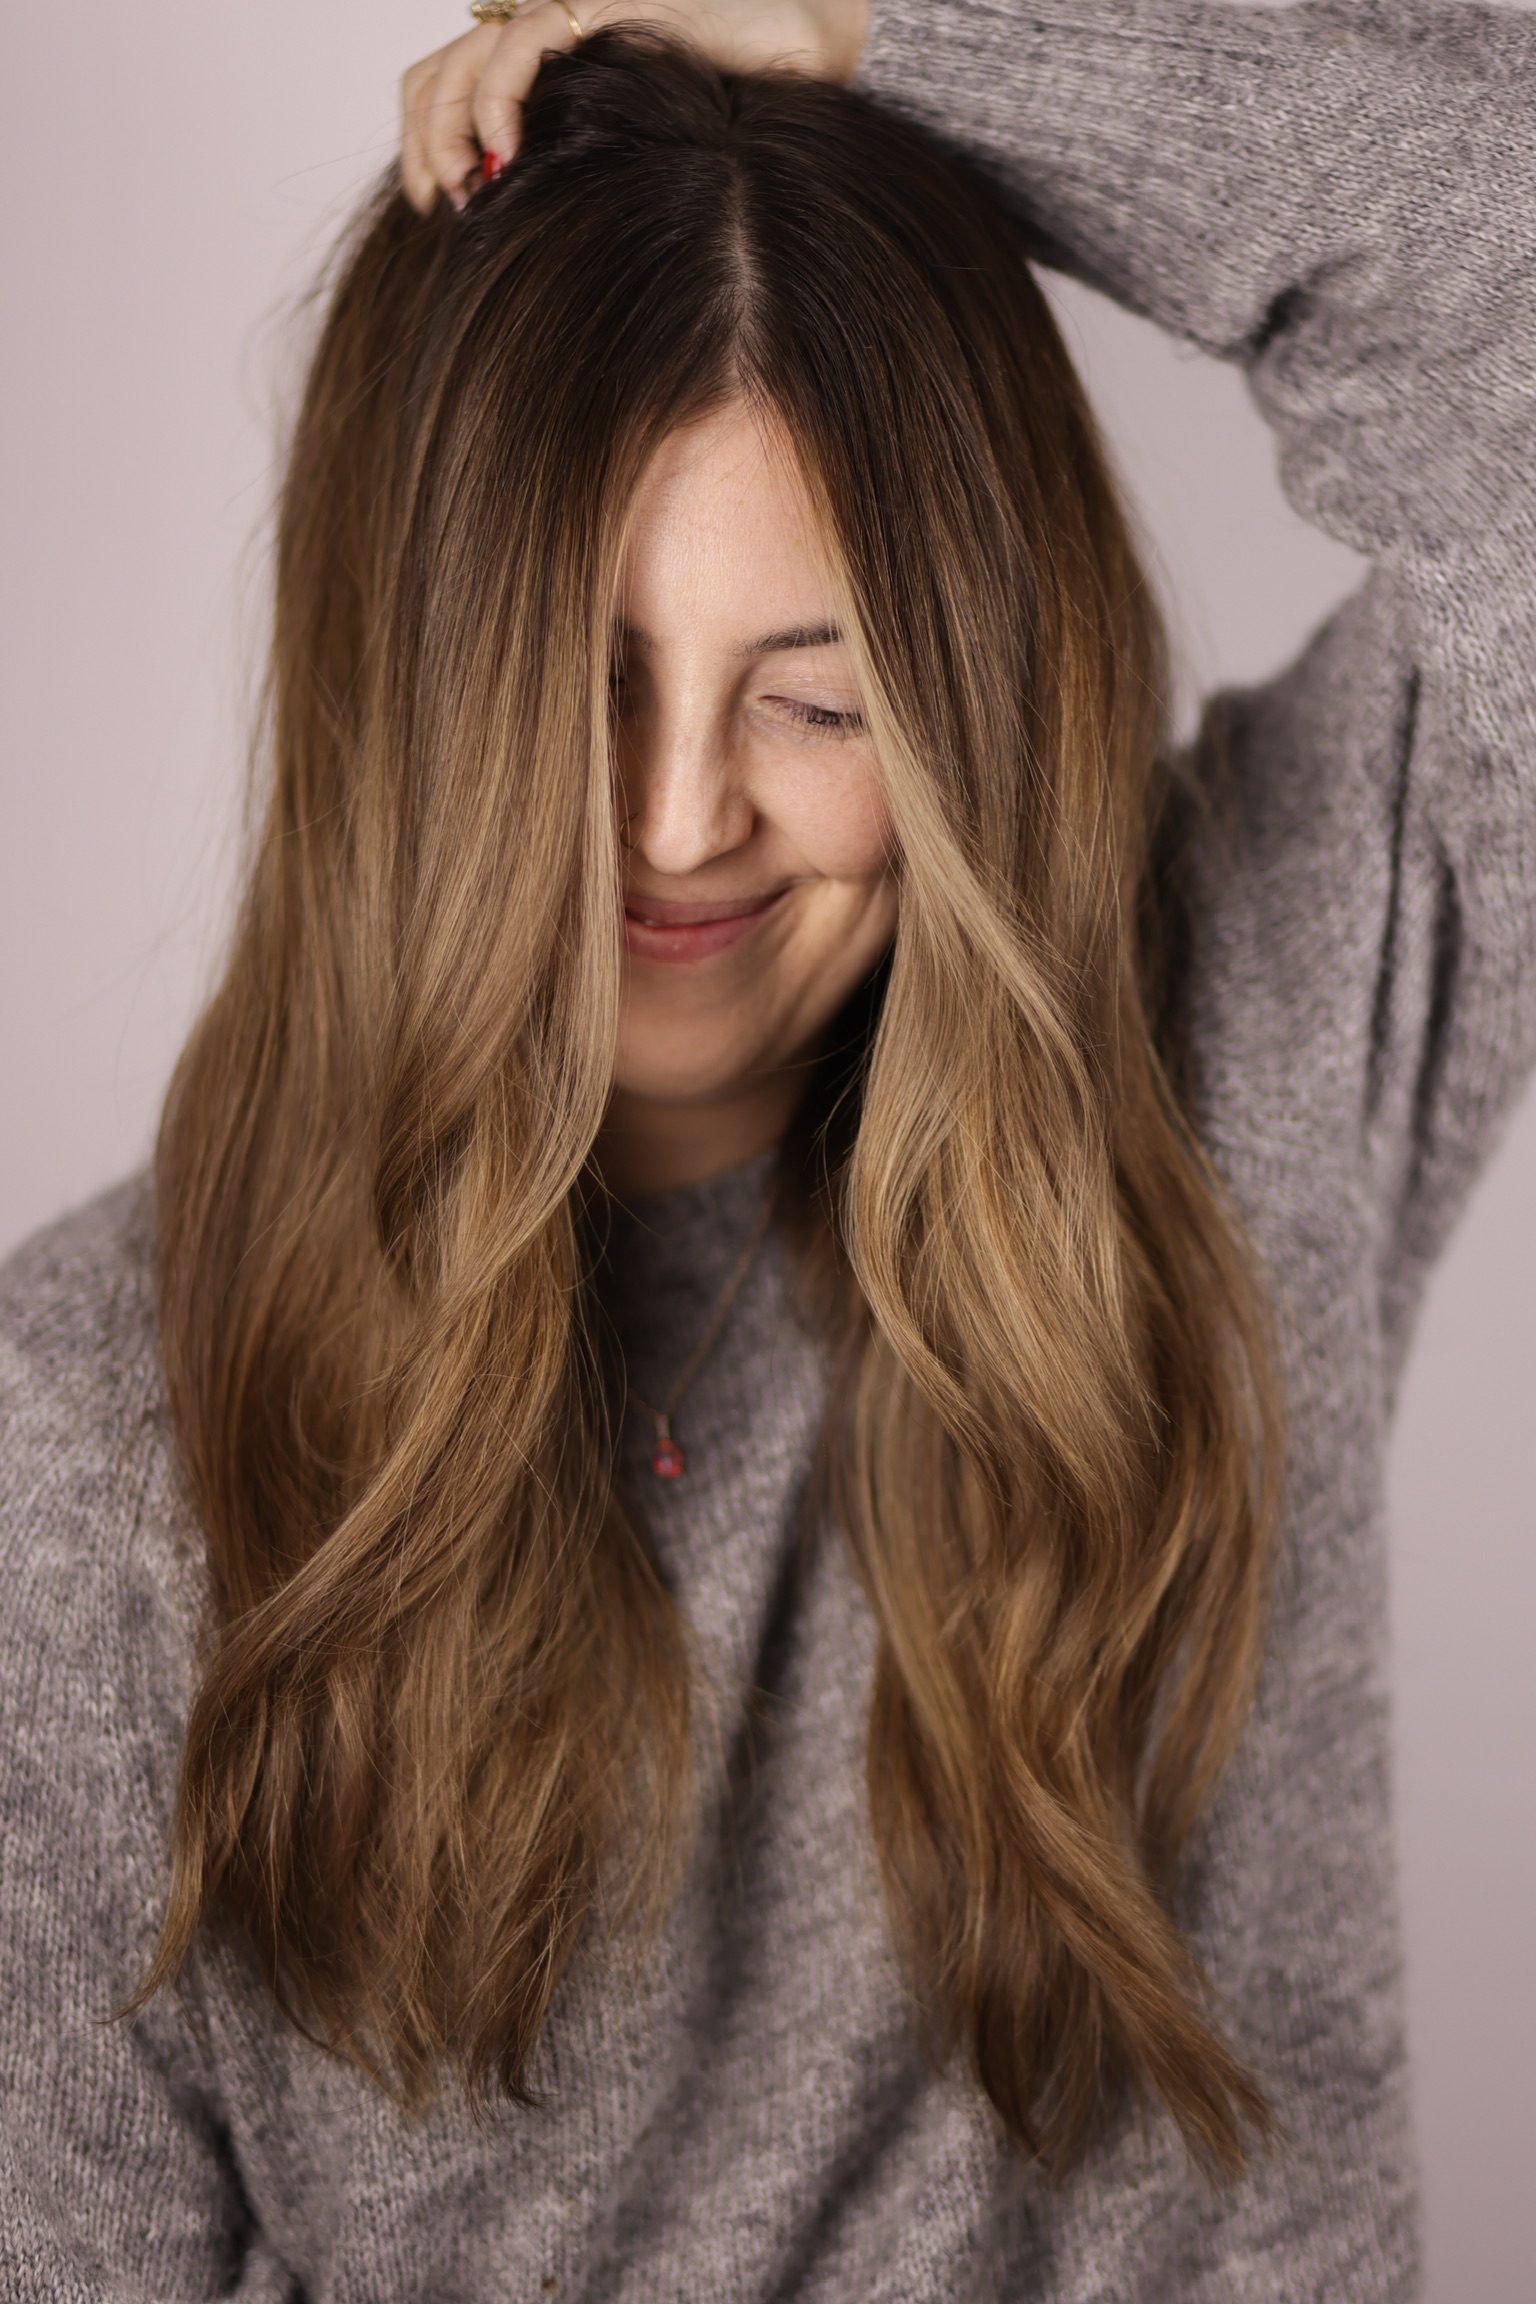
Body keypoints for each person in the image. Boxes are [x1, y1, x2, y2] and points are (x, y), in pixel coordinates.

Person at [1, 1, 1532, 2296]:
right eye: (577, 681)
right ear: (398, 685)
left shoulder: (1254, 1040)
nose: (682, 816)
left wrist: (892, 38)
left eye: (819, 699)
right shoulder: (70, 1443)